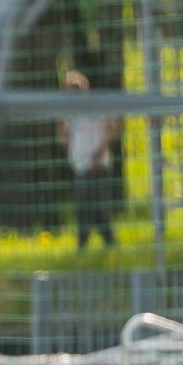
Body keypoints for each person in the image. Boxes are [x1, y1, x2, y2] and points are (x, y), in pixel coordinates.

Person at [56, 70, 120, 250]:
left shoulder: (95, 108)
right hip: (81, 167)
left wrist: (98, 155)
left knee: (93, 209)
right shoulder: (70, 115)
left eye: (75, 90)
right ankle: (107, 245)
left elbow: (112, 127)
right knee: (88, 209)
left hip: (96, 166)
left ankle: (89, 246)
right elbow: (63, 141)